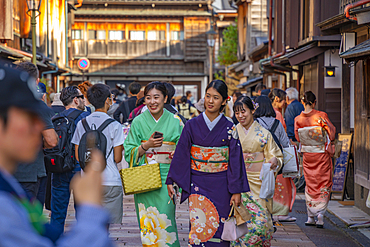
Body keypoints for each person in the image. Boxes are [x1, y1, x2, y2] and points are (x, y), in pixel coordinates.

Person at [0, 62, 113, 246]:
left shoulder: (10, 189)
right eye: (29, 116)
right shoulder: (4, 208)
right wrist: (91, 209)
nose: (38, 127)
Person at [166, 80, 250, 246]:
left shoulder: (229, 127)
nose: (210, 101)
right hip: (198, 183)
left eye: (216, 98)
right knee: (199, 227)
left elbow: (235, 160)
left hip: (222, 185)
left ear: (225, 101)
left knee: (221, 228)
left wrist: (236, 191)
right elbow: (182, 153)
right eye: (208, 96)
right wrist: (172, 180)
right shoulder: (191, 125)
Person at [124, 81, 184, 246]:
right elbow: (128, 151)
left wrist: (177, 153)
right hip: (145, 177)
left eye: (156, 97)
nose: (152, 102)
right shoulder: (138, 121)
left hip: (168, 178)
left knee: (166, 220)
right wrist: (146, 146)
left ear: (165, 98)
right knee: (148, 224)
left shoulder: (176, 121)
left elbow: (185, 148)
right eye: (148, 98)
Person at [232, 95, 284, 246]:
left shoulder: (264, 133)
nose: (240, 116)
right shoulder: (233, 132)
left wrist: (275, 161)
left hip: (259, 183)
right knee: (239, 222)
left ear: (253, 110)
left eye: (244, 111)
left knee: (261, 223)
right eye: (237, 112)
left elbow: (276, 155)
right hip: (238, 182)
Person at [72, 84, 124, 225]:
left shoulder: (81, 124)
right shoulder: (115, 125)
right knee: (106, 226)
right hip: (110, 181)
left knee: (90, 223)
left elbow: (78, 157)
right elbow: (117, 158)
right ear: (108, 100)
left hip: (88, 182)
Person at [13, 62, 58, 206]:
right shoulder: (36, 104)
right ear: (37, 81)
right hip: (30, 172)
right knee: (30, 219)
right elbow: (51, 140)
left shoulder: (6, 102)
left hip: (7, 172)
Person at [50, 86, 90, 235]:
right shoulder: (84, 117)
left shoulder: (56, 117)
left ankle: (54, 242)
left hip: (60, 168)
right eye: (81, 97)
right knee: (84, 213)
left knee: (58, 213)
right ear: (75, 100)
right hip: (80, 168)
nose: (84, 100)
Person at [294, 91, 336, 228]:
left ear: (302, 102)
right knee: (323, 182)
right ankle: (320, 216)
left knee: (310, 182)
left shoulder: (298, 119)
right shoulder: (321, 116)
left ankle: (310, 216)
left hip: (308, 155)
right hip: (321, 154)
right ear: (314, 102)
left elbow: (299, 138)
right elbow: (331, 132)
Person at [254, 96, 296, 222]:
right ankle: (278, 212)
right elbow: (285, 142)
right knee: (275, 186)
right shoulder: (277, 123)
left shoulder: (255, 123)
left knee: (260, 186)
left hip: (259, 159)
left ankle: (262, 213)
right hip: (275, 160)